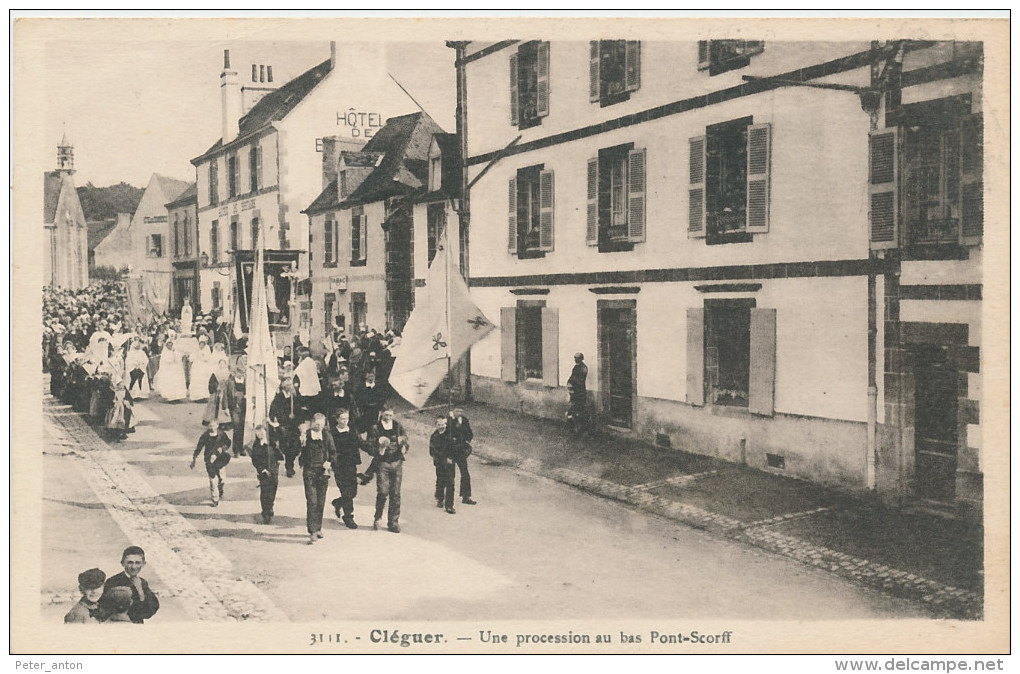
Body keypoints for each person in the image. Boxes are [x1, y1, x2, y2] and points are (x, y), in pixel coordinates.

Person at [365, 406, 409, 533]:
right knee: (383, 491)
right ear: (381, 414)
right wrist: (379, 449)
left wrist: (404, 446)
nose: (388, 417)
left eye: (390, 415)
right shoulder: (375, 428)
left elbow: (405, 440)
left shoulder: (398, 426)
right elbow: (370, 446)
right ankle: (378, 517)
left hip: (397, 462)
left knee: (395, 493)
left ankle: (393, 522)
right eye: (386, 415)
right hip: (382, 463)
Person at [98, 546, 159, 624]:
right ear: (122, 563)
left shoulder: (143, 583)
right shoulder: (113, 581)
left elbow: (152, 609)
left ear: (144, 564)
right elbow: (104, 609)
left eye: (137, 563)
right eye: (130, 562)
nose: (133, 567)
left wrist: (140, 590)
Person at [300, 412, 335, 544]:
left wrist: (330, 462)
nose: (319, 426)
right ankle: (312, 531)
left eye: (322, 424)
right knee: (312, 501)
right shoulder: (306, 435)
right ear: (313, 422)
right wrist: (300, 442)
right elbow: (295, 450)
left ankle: (318, 528)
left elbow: (333, 453)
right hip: (309, 471)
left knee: (321, 502)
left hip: (323, 473)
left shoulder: (327, 436)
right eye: (317, 423)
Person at [328, 409, 362, 529]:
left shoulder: (352, 430)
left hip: (351, 464)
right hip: (339, 465)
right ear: (337, 419)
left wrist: (375, 450)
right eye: (342, 418)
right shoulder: (332, 433)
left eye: (346, 418)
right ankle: (348, 516)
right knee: (346, 490)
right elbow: (328, 449)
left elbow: (361, 443)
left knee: (353, 491)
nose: (344, 421)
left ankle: (338, 502)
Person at [191, 422, 232, 507]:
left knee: (222, 477)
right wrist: (194, 459)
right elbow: (199, 447)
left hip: (220, 459)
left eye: (214, 426)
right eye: (210, 426)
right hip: (209, 460)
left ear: (217, 426)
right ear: (208, 426)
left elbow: (228, 442)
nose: (212, 427)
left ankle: (221, 486)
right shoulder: (205, 436)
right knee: (213, 479)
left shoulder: (221, 434)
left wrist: (222, 449)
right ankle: (215, 499)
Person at [249, 424, 284, 524]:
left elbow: (281, 437)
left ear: (265, 432)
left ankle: (270, 507)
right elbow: (254, 460)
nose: (260, 434)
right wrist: (261, 469)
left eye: (262, 432)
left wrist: (275, 425)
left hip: (273, 470)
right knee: (264, 492)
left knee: (273, 490)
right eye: (258, 432)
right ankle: (265, 512)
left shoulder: (271, 443)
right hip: (263, 472)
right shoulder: (256, 445)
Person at [269, 377, 300, 478]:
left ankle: (289, 463)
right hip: (283, 425)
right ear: (283, 385)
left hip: (293, 425)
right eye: (287, 385)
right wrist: (282, 419)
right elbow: (274, 411)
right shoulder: (279, 397)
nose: (290, 386)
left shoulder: (294, 397)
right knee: (287, 446)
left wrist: (296, 416)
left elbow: (298, 409)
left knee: (295, 446)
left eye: (290, 385)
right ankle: (289, 467)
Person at [448, 408, 476, 505]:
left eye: (461, 411)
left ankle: (466, 496)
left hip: (461, 450)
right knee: (450, 475)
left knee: (465, 473)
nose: (459, 412)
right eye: (457, 410)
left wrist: (467, 440)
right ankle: (441, 497)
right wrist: (450, 419)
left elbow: (470, 433)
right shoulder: (448, 420)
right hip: (450, 450)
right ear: (453, 411)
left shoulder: (464, 420)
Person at [429, 416, 457, 514]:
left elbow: (454, 448)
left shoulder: (450, 435)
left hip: (450, 463)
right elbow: (432, 451)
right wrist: (443, 458)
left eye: (443, 424)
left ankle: (449, 505)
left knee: (450, 483)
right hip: (440, 463)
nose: (441, 426)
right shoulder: (434, 436)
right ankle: (439, 498)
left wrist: (451, 457)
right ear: (436, 425)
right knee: (440, 480)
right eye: (439, 424)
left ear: (446, 424)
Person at [153, 337, 187, 402]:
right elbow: (167, 361)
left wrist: (175, 355)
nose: (170, 346)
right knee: (169, 384)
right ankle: (170, 398)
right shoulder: (165, 352)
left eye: (171, 344)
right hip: (168, 371)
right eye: (168, 345)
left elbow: (178, 360)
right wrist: (172, 358)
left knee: (176, 383)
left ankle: (177, 397)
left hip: (175, 371)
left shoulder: (175, 351)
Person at [567, 352, 589, 434]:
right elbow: (572, 377)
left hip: (580, 393)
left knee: (578, 411)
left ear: (581, 358)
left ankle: (579, 429)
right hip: (574, 393)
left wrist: (572, 385)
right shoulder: (576, 367)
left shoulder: (583, 368)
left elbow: (578, 380)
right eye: (575, 358)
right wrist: (569, 383)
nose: (576, 359)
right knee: (573, 411)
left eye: (578, 358)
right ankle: (572, 429)